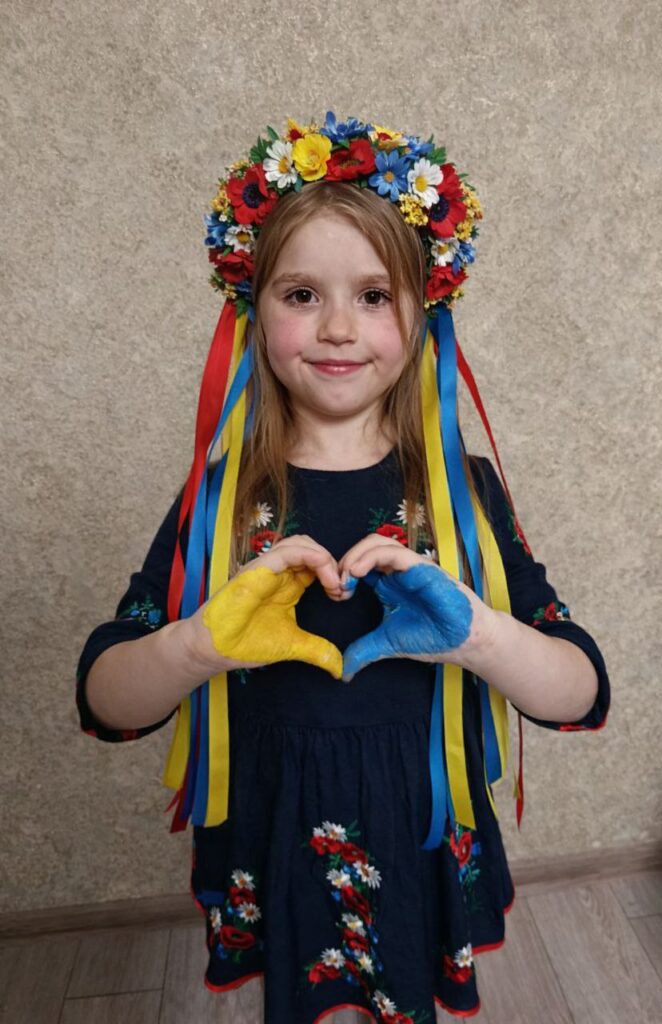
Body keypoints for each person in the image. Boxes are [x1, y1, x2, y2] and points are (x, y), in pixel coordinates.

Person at [76, 113, 610, 1024]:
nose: (335, 328)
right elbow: (106, 699)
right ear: (253, 308)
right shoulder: (219, 499)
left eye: (372, 295)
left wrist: (479, 636)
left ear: (424, 310)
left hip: (418, 828)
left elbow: (580, 691)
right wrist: (199, 645)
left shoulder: (463, 493)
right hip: (273, 828)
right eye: (300, 294)